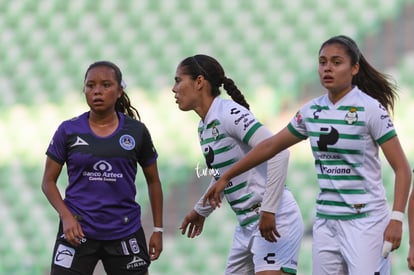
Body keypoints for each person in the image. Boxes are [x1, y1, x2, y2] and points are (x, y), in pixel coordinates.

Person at [203, 35, 412, 275]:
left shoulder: (370, 109)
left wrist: (396, 218)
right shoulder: (311, 111)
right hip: (326, 223)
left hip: (366, 222)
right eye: (323, 62)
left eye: (336, 62)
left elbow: (402, 169)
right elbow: (271, 146)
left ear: (354, 68)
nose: (327, 68)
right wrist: (226, 176)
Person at [173, 54, 303, 275]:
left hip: (275, 219)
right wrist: (200, 210)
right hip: (246, 224)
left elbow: (279, 154)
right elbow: (224, 174)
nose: (174, 89)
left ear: (199, 82)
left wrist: (269, 210)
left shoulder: (229, 113)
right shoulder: (204, 127)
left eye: (178, 80)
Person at [41, 60, 163, 275]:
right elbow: (47, 182)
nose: (97, 91)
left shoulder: (136, 132)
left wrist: (158, 229)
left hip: (125, 231)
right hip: (77, 231)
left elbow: (154, 181)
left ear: (119, 91)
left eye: (106, 85)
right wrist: (66, 216)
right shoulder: (68, 130)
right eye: (90, 85)